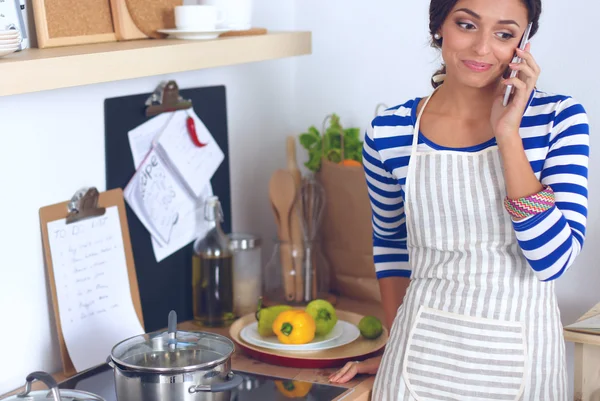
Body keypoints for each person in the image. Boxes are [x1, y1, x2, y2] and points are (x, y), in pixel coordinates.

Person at [328, 0, 590, 400]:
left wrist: (508, 136)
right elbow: (391, 246)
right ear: (439, 27)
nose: (483, 48)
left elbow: (552, 261)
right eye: (467, 25)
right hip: (416, 361)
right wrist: (395, 342)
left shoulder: (558, 119)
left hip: (523, 365)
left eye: (504, 34)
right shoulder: (389, 133)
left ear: (524, 42)